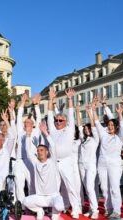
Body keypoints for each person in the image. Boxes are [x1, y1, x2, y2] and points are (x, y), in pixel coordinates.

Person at [47, 88, 80, 219]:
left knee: (71, 187)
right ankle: (55, 210)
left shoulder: (70, 129)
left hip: (66, 161)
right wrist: (50, 99)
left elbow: (71, 114)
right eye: (57, 120)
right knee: (54, 188)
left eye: (60, 120)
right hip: (54, 162)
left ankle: (76, 209)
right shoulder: (53, 129)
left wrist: (70, 99)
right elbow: (50, 114)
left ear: (65, 122)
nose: (58, 122)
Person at [23, 122, 64, 220]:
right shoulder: (36, 163)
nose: (39, 152)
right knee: (25, 201)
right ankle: (39, 211)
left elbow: (53, 146)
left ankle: (55, 212)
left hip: (53, 196)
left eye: (41, 150)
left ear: (47, 152)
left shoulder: (52, 161)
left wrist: (45, 132)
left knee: (60, 207)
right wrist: (28, 134)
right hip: (40, 197)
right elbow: (28, 151)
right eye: (38, 151)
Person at [94, 101, 123, 219]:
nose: (110, 126)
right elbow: (97, 123)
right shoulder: (103, 134)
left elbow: (122, 125)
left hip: (114, 164)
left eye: (112, 125)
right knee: (104, 188)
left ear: (116, 127)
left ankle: (117, 211)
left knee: (114, 187)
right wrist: (93, 109)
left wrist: (120, 114)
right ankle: (109, 209)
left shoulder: (120, 137)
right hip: (102, 164)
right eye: (109, 125)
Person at [15, 93, 42, 204]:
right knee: (19, 183)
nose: (27, 123)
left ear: (33, 125)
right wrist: (22, 103)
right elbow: (18, 116)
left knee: (31, 183)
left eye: (29, 122)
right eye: (25, 122)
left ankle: (31, 204)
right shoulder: (20, 132)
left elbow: (39, 119)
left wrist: (36, 106)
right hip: (20, 160)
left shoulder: (36, 132)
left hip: (31, 161)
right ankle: (21, 205)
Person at [76, 103, 100, 219]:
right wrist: (77, 111)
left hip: (90, 165)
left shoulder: (95, 139)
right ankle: (91, 209)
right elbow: (79, 125)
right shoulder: (83, 139)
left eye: (87, 128)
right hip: (81, 165)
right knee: (87, 188)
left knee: (90, 188)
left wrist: (90, 112)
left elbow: (94, 125)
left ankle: (95, 210)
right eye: (85, 129)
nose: (86, 130)